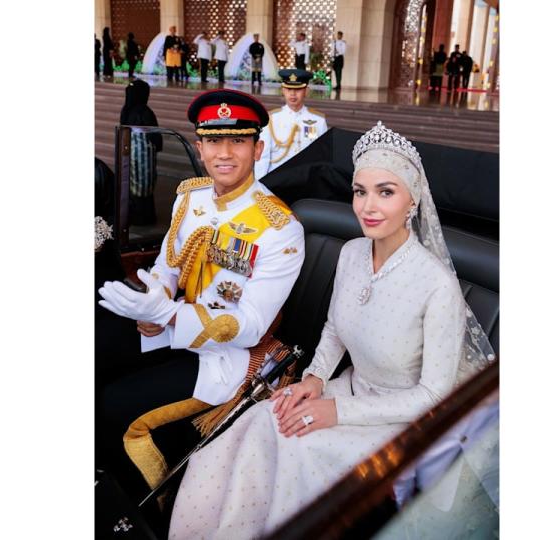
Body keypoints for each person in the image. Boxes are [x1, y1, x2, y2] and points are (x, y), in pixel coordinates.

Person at [169, 121, 496, 539]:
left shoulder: (437, 286)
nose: (368, 206)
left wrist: (336, 411)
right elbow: (335, 329)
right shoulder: (352, 252)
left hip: (401, 422)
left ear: (413, 201)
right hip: (347, 389)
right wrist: (314, 379)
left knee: (300, 447)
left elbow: (432, 397)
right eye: (360, 191)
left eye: (386, 192)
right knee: (258, 423)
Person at [97, 89, 306, 504]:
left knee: (114, 406)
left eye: (238, 140)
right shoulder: (189, 197)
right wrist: (152, 303)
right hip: (171, 326)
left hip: (226, 356)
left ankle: (145, 510)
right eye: (213, 140)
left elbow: (249, 327)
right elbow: (167, 266)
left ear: (258, 147)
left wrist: (169, 314)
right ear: (199, 146)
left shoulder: (280, 227)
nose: (224, 153)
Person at [254, 69, 328, 179]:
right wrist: (260, 184)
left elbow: (322, 157)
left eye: (298, 90)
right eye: (289, 89)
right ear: (283, 90)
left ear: (306, 91)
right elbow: (263, 156)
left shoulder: (318, 120)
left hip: (306, 179)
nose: (292, 94)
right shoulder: (272, 119)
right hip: (277, 179)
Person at [119, 79, 163, 226]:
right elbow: (155, 135)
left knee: (133, 184)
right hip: (144, 155)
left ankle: (134, 216)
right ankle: (145, 217)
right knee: (144, 186)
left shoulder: (127, 110)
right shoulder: (144, 111)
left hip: (130, 154)